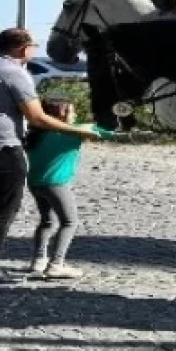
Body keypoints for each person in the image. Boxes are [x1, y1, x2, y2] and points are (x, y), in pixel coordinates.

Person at [0, 28, 103, 285]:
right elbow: (37, 117)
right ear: (22, 49)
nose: (35, 51)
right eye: (33, 46)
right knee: (0, 206)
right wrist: (77, 130)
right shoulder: (15, 73)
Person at [24, 94, 112, 279]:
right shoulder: (71, 134)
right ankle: (57, 263)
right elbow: (106, 132)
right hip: (56, 184)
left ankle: (38, 260)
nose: (75, 115)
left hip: (35, 182)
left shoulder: (35, 135)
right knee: (69, 222)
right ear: (61, 115)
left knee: (47, 221)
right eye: (72, 111)